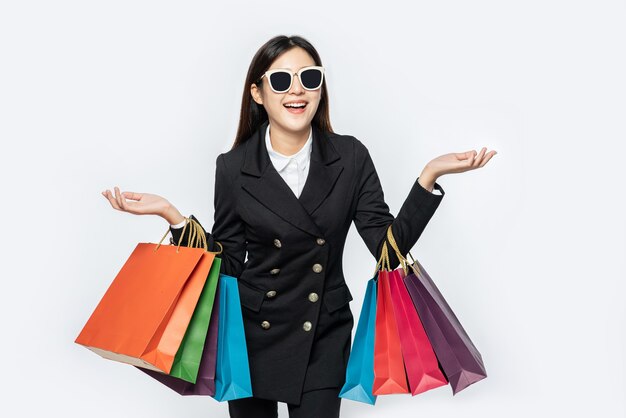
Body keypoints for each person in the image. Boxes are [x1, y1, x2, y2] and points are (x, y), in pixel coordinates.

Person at [102, 34, 496, 418]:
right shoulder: (234, 166)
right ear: (258, 92)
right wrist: (173, 217)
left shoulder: (350, 156)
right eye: (281, 80)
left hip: (323, 333)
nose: (297, 90)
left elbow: (386, 248)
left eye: (310, 78)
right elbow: (230, 263)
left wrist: (429, 177)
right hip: (252, 335)